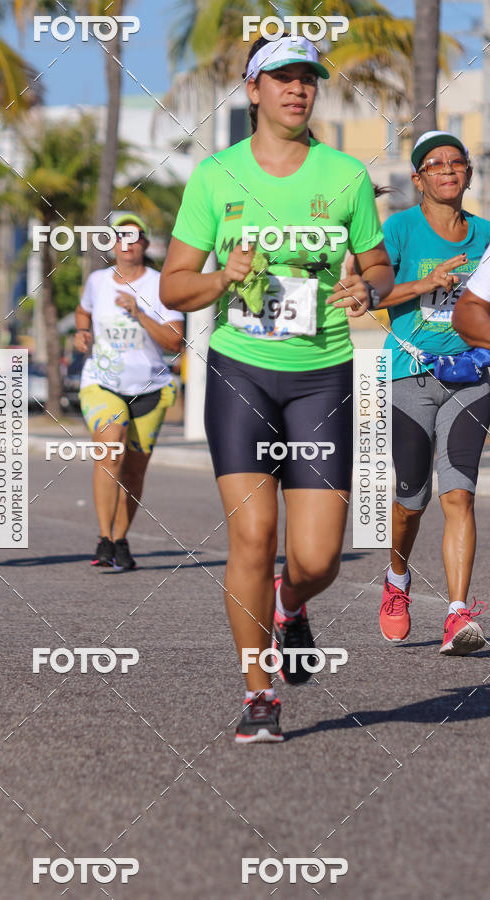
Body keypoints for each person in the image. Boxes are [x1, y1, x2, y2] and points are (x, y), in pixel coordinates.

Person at [160, 34, 393, 743]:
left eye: (308, 80)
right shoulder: (216, 177)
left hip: (321, 375)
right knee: (254, 537)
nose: (298, 89)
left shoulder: (346, 175)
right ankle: (259, 692)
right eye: (283, 78)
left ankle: (291, 607)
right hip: (242, 372)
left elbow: (379, 265)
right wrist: (224, 278)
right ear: (253, 89)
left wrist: (367, 285)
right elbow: (174, 286)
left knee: (318, 557)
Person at [376, 131, 490, 654]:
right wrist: (428, 283)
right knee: (410, 498)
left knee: (460, 493)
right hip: (408, 373)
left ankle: (456, 613)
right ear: (418, 178)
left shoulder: (486, 235)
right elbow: (369, 293)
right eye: (435, 164)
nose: (448, 170)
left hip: (471, 374)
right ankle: (397, 579)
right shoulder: (398, 229)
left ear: (467, 172)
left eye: (456, 162)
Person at [75, 214, 184, 570]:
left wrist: (139, 313)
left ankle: (121, 539)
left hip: (150, 387)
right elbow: (82, 312)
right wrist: (81, 332)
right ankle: (104, 538)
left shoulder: (161, 285)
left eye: (134, 237)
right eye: (120, 236)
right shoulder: (96, 281)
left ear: (145, 244)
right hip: (101, 382)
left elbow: (175, 342)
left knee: (134, 472)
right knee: (111, 448)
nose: (127, 243)